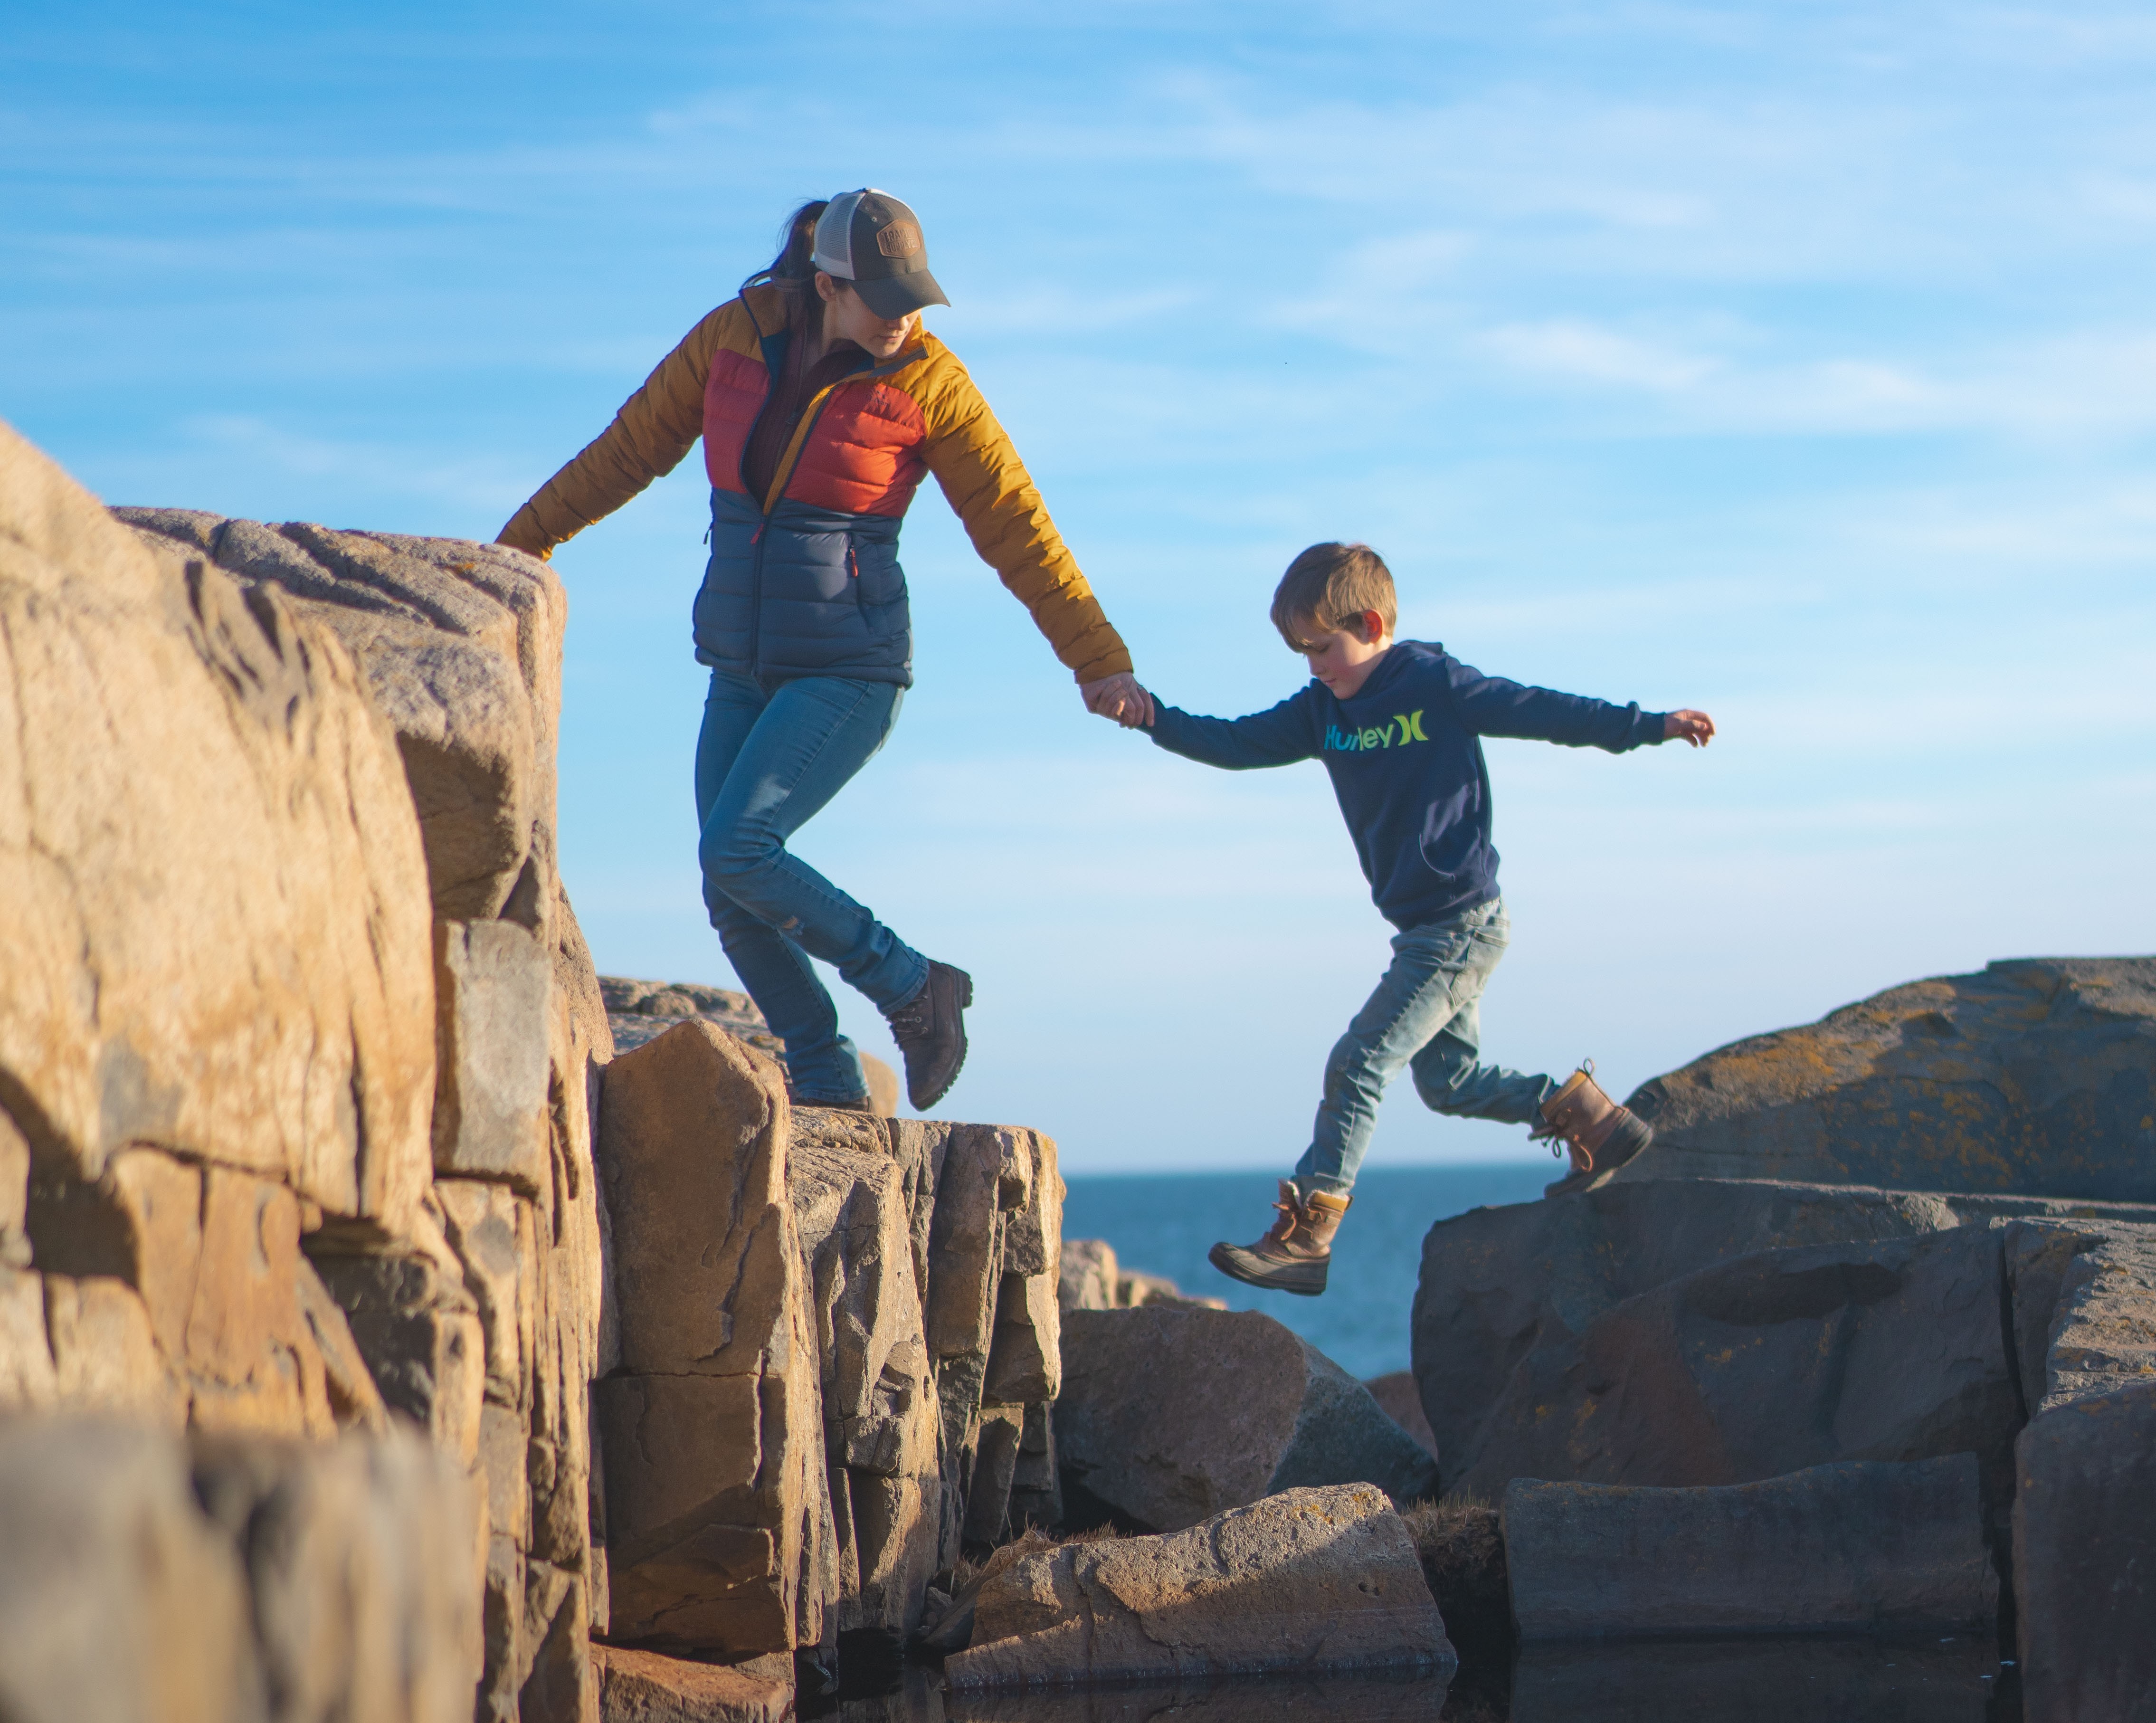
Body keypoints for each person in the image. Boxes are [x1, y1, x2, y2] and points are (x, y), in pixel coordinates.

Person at [497, 189, 1140, 1117]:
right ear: (831, 284)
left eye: (917, 295)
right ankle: (831, 1083)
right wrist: (517, 549)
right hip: (739, 661)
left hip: (849, 666)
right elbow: (627, 450)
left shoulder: (928, 382)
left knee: (742, 847)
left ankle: (914, 984)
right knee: (730, 885)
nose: (906, 316)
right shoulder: (734, 336)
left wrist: (1098, 657)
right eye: (887, 297)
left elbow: (1018, 526)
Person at [1086, 542, 1716, 1294]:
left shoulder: (1433, 683)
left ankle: (1308, 1234)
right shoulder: (1322, 711)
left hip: (1462, 922)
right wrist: (1152, 715)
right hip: (1424, 930)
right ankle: (1591, 1118)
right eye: (1301, 653)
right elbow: (1234, 742)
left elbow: (1545, 710)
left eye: (1324, 648)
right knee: (1448, 1083)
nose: (1316, 666)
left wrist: (1652, 725)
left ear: (1373, 622)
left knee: (1359, 1062)